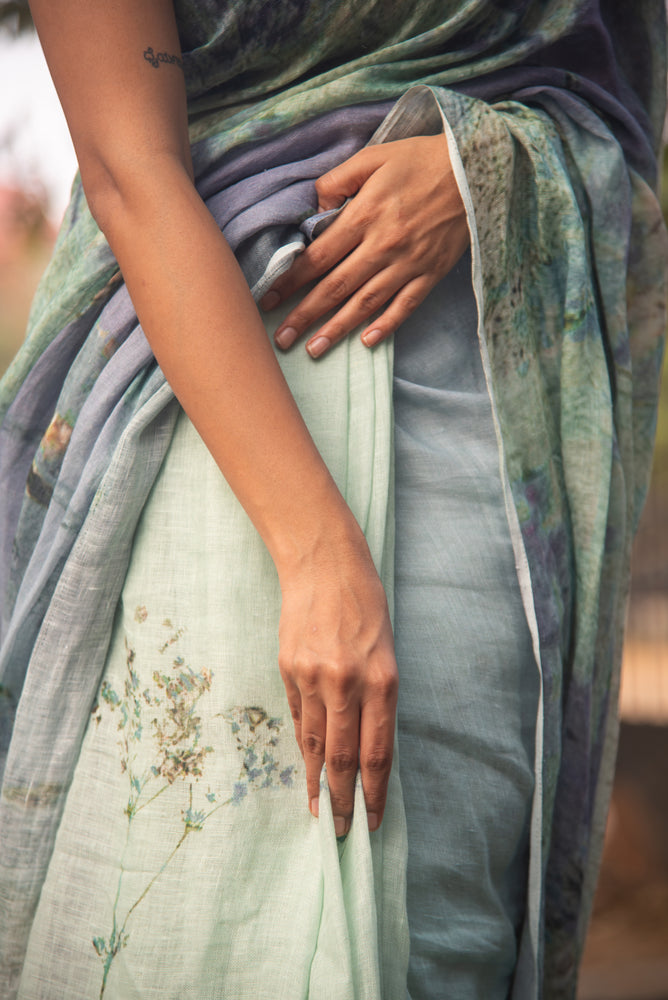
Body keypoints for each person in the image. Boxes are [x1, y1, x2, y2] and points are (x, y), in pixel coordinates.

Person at [0, 1, 665, 997]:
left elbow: (604, 96)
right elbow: (129, 167)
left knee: (437, 937)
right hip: (203, 429)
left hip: (480, 451)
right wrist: (316, 552)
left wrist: (476, 164)